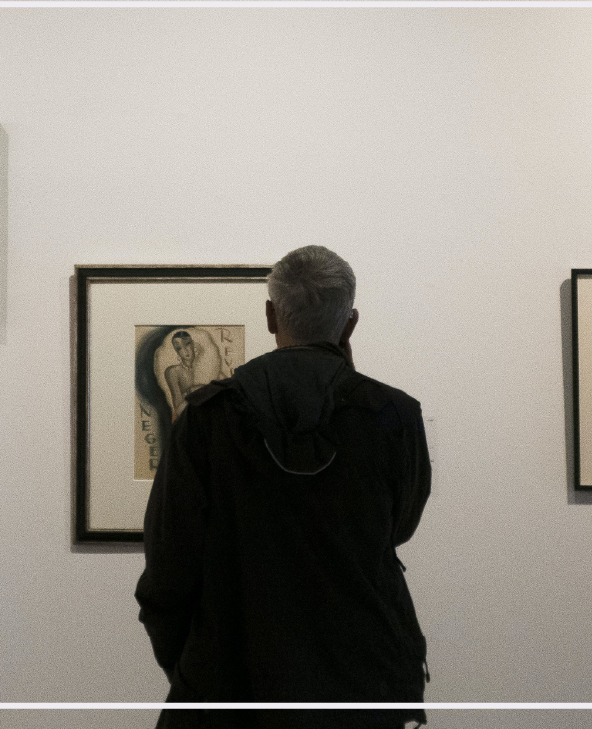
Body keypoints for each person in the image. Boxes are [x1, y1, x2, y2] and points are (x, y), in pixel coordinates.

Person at [135, 245, 432, 729]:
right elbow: (397, 530)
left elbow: (167, 571)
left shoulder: (208, 418)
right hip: (365, 689)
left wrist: (195, 670)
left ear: (271, 316)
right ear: (350, 323)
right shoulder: (392, 415)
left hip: (228, 688)